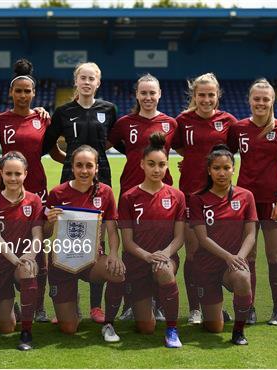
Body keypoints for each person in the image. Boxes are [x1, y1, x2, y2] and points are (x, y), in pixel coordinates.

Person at [42, 62, 118, 323]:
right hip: (71, 179)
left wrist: (92, 163)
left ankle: (96, 306)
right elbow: (48, 144)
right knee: (68, 241)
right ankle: (69, 304)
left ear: (98, 82)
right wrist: (70, 162)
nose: (87, 82)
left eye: (92, 78)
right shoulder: (64, 111)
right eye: (82, 78)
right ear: (76, 81)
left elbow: (113, 140)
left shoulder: (108, 110)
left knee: (98, 243)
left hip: (100, 179)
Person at [0, 58, 64, 322]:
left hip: (37, 190)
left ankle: (39, 306)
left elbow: (55, 152)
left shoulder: (43, 119)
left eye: (27, 91)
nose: (23, 95)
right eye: (18, 90)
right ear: (11, 92)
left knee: (38, 245)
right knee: (5, 243)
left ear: (34, 93)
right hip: (6, 193)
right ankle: (3, 302)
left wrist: (85, 164)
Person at [108, 73, 177, 321]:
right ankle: (130, 303)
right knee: (131, 248)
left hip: (161, 196)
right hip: (130, 193)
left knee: (159, 244)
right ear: (136, 95)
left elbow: (187, 151)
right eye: (143, 93)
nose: (148, 97)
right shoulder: (124, 123)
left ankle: (158, 302)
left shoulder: (171, 124)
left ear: (159, 94)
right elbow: (109, 145)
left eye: (152, 93)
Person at [227, 78, 277, 325]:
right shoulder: (238, 129)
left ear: (272, 101)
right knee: (249, 258)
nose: (261, 103)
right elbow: (224, 159)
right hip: (245, 203)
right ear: (249, 100)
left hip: (272, 203)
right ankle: (250, 307)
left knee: (275, 257)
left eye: (265, 99)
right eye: (256, 98)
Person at [171, 73, 237, 325]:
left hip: (220, 200)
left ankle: (217, 306)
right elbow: (178, 147)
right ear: (194, 96)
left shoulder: (228, 121)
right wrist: (191, 161)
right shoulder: (183, 121)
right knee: (195, 253)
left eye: (211, 95)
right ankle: (196, 308)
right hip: (191, 196)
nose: (206, 99)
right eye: (202, 95)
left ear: (217, 95)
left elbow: (231, 153)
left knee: (219, 253)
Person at [44, 145, 125, 341]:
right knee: (69, 328)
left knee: (117, 272)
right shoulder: (57, 193)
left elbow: (112, 230)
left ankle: (109, 324)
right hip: (62, 261)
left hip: (91, 259)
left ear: (97, 168)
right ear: (72, 167)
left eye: (89, 165)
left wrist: (113, 254)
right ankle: (73, 306)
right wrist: (49, 221)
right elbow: (45, 234)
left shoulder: (105, 193)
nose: (84, 170)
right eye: (79, 165)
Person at [118, 132, 185, 348]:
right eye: (151, 164)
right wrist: (149, 257)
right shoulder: (129, 197)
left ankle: (172, 330)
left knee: (164, 270)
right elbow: (127, 242)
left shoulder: (177, 196)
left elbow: (180, 236)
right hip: (138, 262)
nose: (157, 170)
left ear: (167, 166)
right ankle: (152, 300)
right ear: (142, 165)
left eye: (162, 164)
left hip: (165, 259)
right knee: (146, 328)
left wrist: (164, 254)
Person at [189, 144, 257, 345]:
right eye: (217, 168)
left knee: (243, 276)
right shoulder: (197, 199)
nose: (222, 173)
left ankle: (238, 331)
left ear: (233, 169)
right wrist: (229, 256)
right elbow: (202, 239)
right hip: (207, 266)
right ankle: (218, 314)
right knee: (214, 328)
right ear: (209, 171)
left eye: (226, 168)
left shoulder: (246, 196)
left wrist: (239, 258)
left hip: (233, 264)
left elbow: (251, 234)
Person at [0, 151, 44, 350]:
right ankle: (14, 311)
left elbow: (37, 236)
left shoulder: (34, 200)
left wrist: (29, 256)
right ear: (1, 174)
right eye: (9, 174)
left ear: (25, 173)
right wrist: (14, 258)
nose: (13, 178)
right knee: (6, 328)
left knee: (27, 269)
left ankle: (26, 331)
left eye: (18, 174)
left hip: (23, 261)